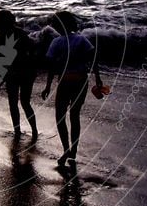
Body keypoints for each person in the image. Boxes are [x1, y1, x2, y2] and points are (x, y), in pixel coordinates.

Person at [41, 11, 103, 168]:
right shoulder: (82, 39)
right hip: (81, 81)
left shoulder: (56, 42)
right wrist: (97, 78)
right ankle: (73, 149)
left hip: (65, 82)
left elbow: (52, 67)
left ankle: (66, 149)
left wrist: (48, 86)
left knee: (60, 118)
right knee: (74, 116)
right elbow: (93, 58)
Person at [0, 9, 39, 140]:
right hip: (27, 71)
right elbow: (32, 49)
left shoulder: (0, 36)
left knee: (13, 103)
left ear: (1, 21)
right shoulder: (21, 33)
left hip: (12, 72)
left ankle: (17, 131)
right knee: (25, 103)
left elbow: (1, 58)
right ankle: (34, 130)